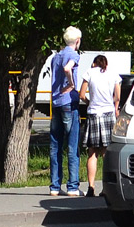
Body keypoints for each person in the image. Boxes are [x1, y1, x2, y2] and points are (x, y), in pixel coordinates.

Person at [79, 54, 121, 197]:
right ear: (106, 64)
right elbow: (118, 96)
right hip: (108, 114)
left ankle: (91, 187)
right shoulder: (113, 74)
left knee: (92, 153)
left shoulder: (90, 73)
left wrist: (89, 102)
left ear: (94, 64)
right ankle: (106, 189)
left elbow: (82, 94)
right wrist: (113, 104)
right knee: (106, 153)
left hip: (93, 114)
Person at [49, 26, 82, 197]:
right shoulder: (73, 54)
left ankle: (55, 186)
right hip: (69, 103)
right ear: (77, 41)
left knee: (55, 145)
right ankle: (72, 186)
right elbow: (68, 68)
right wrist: (71, 84)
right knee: (72, 145)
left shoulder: (56, 56)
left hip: (56, 103)